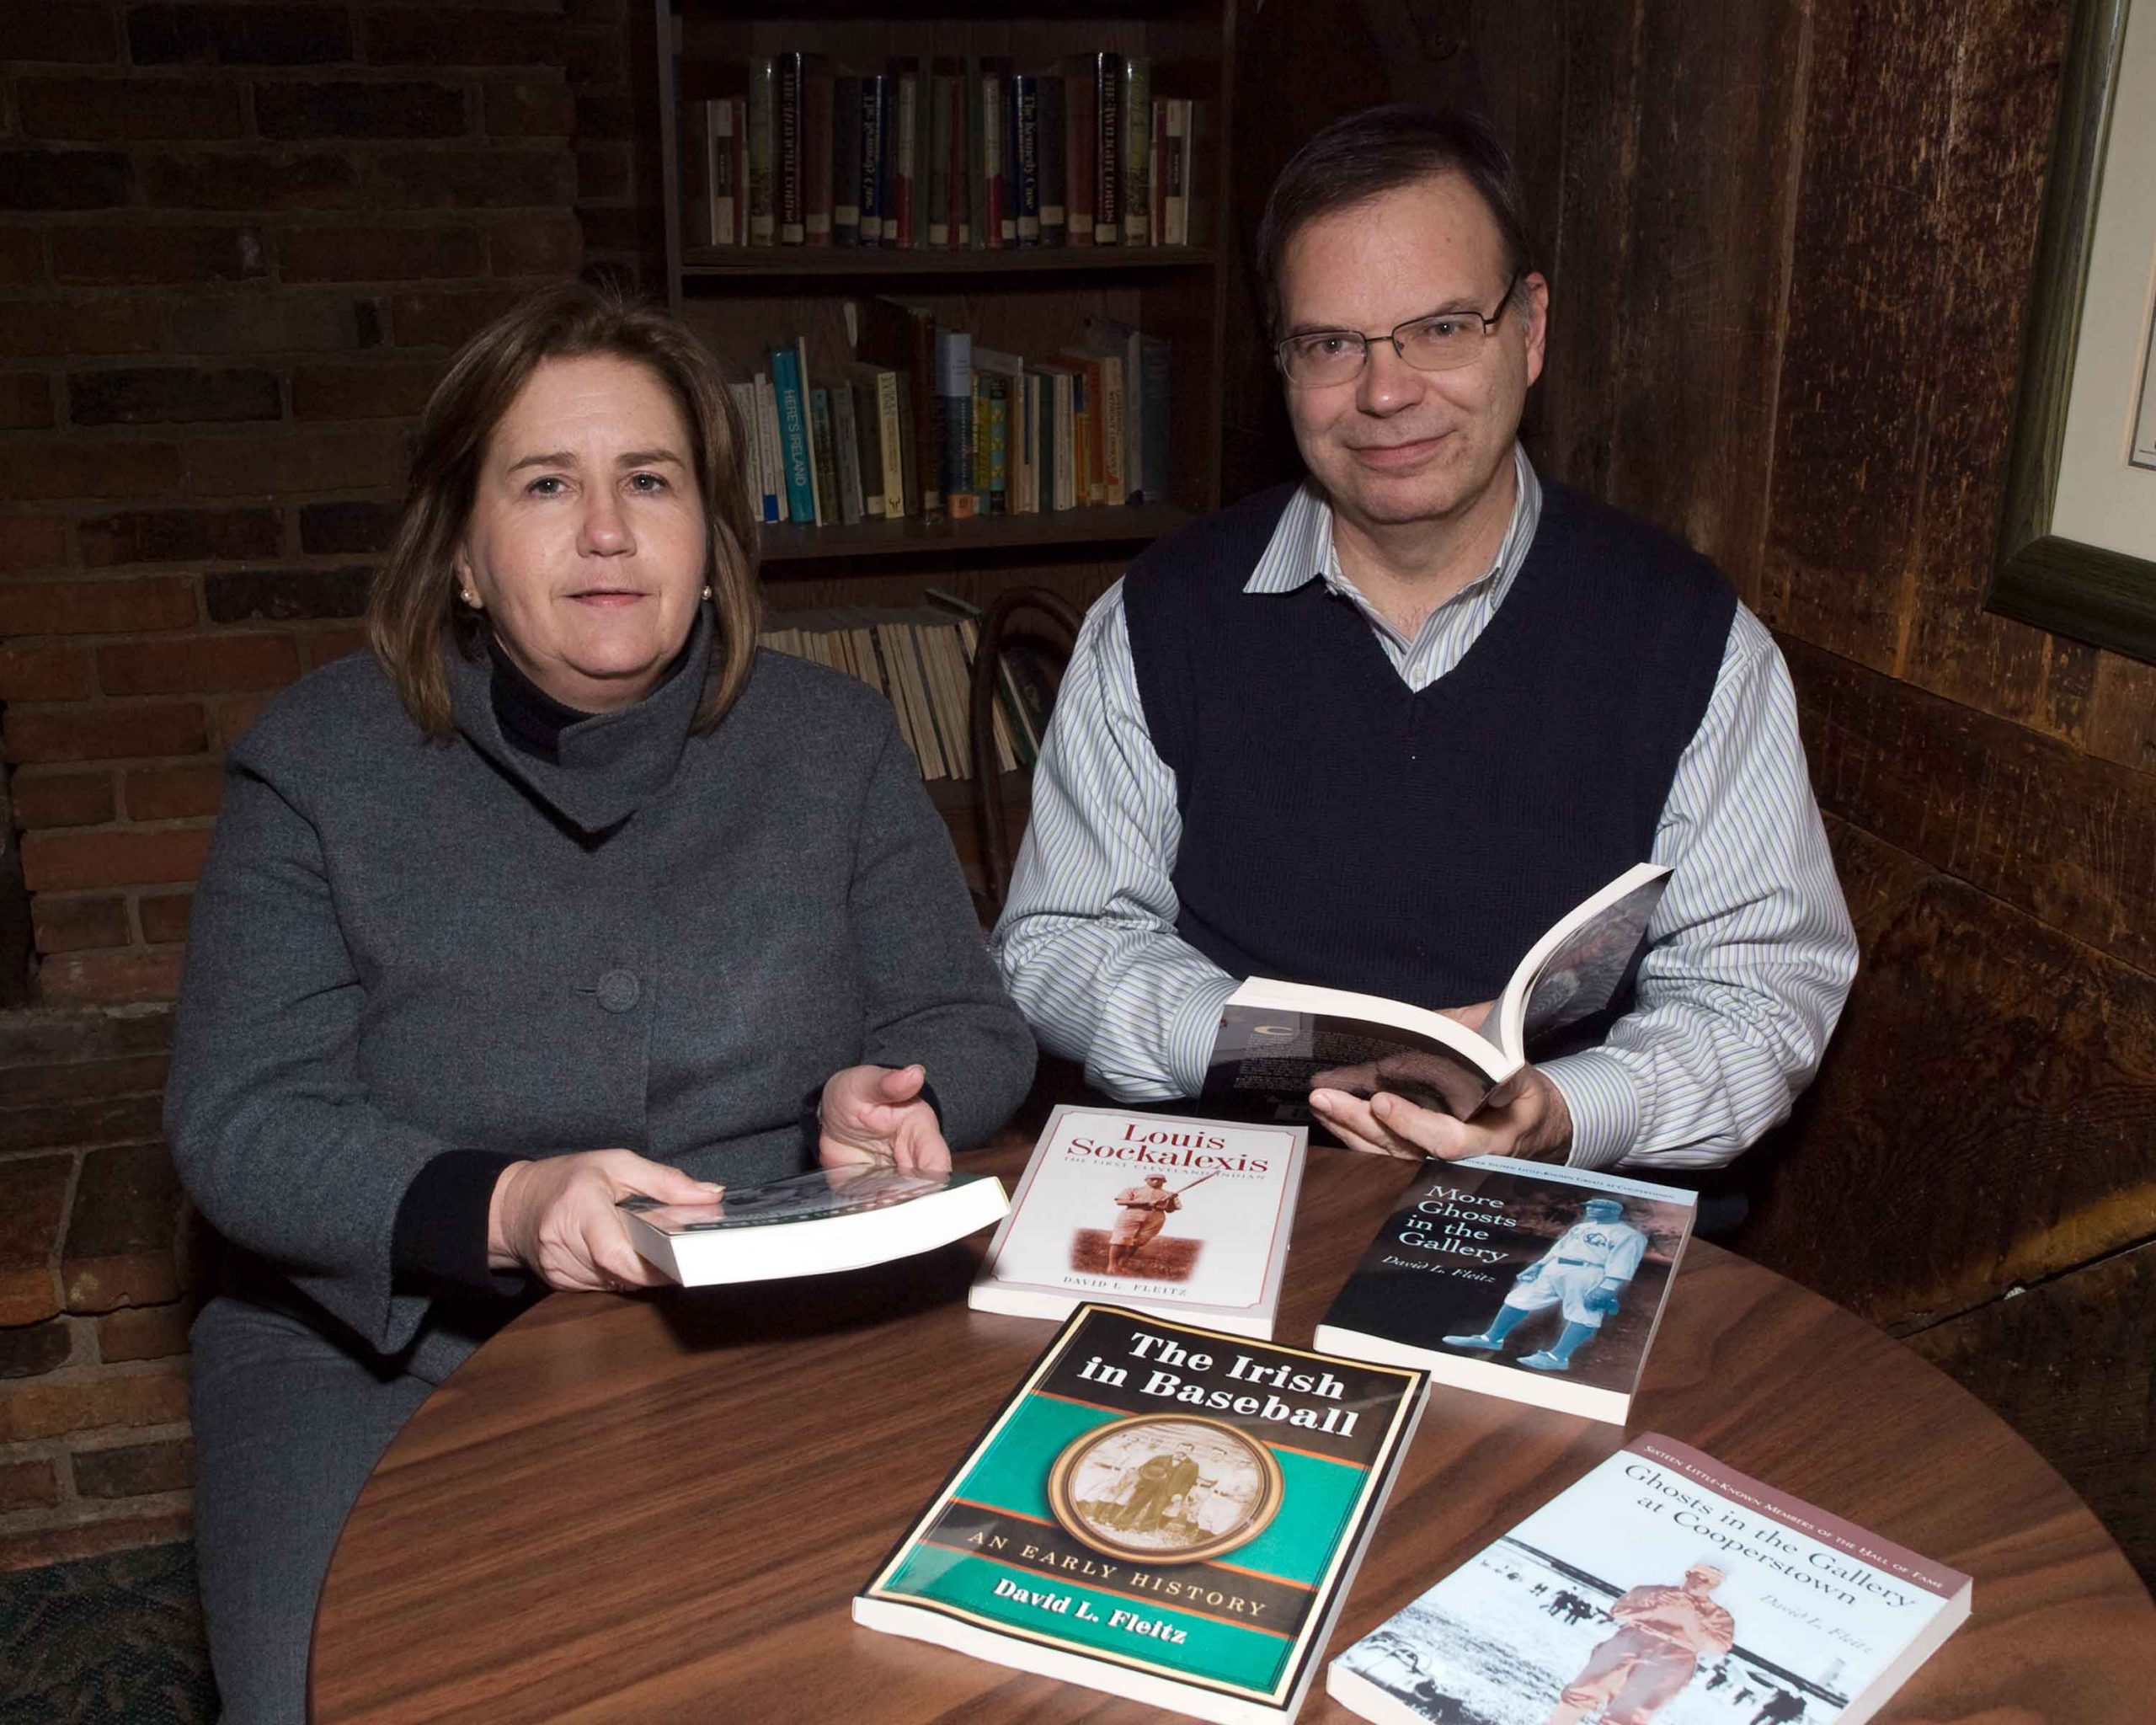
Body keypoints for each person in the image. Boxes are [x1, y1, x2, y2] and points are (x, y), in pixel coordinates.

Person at [165, 283, 1036, 1722]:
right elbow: (242, 1121)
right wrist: (509, 1203)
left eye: (650, 479)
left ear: (711, 538)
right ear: (459, 555)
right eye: (546, 485)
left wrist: (895, 1094)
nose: (609, 530)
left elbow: (970, 1015)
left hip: (776, 1318)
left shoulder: (835, 738)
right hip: (380, 1348)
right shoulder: (313, 763)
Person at [991, 105, 1857, 1175]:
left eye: (1442, 329)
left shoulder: (1693, 638)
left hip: (1553, 1196)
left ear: (1528, 330)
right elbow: (1060, 940)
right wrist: (1273, 1047)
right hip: (1232, 1184)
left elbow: (1759, 992)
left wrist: (1563, 1109)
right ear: (1283, 363)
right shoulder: (1154, 618)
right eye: (1330, 345)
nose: (1386, 392)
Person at [1443, 1195, 1647, 1370]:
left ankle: (1558, 1357)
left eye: (1597, 1207)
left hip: (1590, 1271)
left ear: (1614, 1211)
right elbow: (1558, 1249)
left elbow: (1623, 1262)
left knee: (1583, 1313)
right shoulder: (1582, 1227)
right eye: (1590, 1207)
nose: (1591, 1210)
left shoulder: (1628, 1235)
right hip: (1556, 1267)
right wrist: (1538, 1266)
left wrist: (1608, 1287)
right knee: (1519, 1298)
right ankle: (1491, 1338)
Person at [1544, 1563, 1736, 1725]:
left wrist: (1690, 1620)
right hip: (1634, 1638)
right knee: (1583, 1690)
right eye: (1699, 1576)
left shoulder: (1718, 1615)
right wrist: (1655, 1610)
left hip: (1675, 1655)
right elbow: (1618, 1611)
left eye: (1708, 1581)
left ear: (1714, 1586)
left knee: (1628, 1713)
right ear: (1689, 1574)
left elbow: (1719, 1646)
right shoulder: (1653, 1592)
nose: (1700, 1582)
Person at [1106, 1172, 1181, 1273]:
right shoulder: (1133, 1190)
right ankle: (1112, 1265)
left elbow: (1170, 1210)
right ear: (1146, 1180)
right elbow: (1120, 1202)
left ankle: (1122, 1264)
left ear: (1164, 1182)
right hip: (1132, 1213)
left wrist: (1171, 1200)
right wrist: (1146, 1203)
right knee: (1121, 1239)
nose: (1156, 1181)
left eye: (1159, 1180)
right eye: (1153, 1179)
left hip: (1156, 1216)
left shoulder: (1168, 1194)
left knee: (1138, 1242)